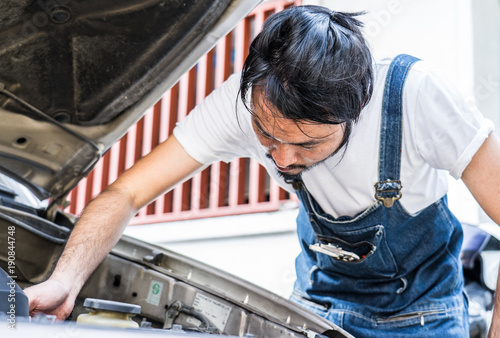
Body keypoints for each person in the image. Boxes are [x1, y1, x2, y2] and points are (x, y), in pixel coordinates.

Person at [25, 5, 500, 336]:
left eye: (308, 143)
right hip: (317, 307)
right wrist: (63, 281)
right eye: (267, 137)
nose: (283, 159)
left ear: (357, 110)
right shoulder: (241, 100)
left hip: (421, 317)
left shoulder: (416, 99)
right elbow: (125, 194)